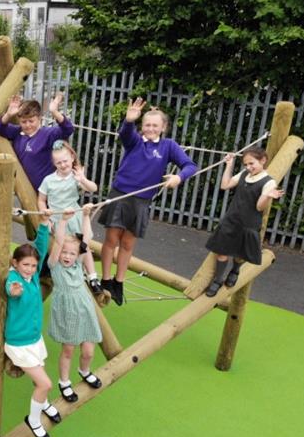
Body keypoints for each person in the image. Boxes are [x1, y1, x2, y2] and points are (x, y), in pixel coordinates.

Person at [98, 98, 198, 306]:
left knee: (127, 243)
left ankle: (119, 282)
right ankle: (106, 279)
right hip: (120, 195)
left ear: (163, 127)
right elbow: (125, 134)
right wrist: (128, 120)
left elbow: (190, 165)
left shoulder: (168, 146)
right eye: (146, 125)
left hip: (141, 202)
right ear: (141, 126)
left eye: (155, 125)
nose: (150, 128)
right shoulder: (134, 141)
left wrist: (178, 177)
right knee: (111, 239)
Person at [4, 213, 61, 437]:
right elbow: (11, 289)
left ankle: (44, 403)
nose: (29, 268)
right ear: (15, 263)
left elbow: (39, 245)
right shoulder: (13, 278)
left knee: (40, 372)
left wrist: (45, 224)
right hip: (18, 343)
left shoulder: (35, 276)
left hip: (34, 338)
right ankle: (34, 420)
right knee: (45, 383)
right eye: (25, 265)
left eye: (33, 265)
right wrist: (14, 291)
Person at [204, 148, 284, 296]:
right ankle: (218, 280)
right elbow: (225, 185)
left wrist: (268, 195)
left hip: (248, 224)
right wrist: (229, 165)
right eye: (246, 164)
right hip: (231, 220)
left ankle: (235, 270)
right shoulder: (244, 174)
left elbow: (259, 206)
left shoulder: (269, 182)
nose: (248, 167)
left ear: (263, 160)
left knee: (240, 254)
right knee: (221, 253)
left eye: (251, 163)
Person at [46, 207, 103, 403]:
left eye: (72, 253)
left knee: (88, 350)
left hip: (84, 307)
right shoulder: (55, 265)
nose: (68, 256)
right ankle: (64, 382)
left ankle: (84, 371)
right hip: (67, 309)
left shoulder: (78, 263)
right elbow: (59, 241)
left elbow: (86, 238)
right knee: (69, 349)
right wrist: (63, 221)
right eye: (65, 253)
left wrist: (86, 216)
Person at [38, 140, 102, 294]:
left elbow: (93, 188)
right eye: (58, 162)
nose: (63, 165)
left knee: (83, 247)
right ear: (54, 163)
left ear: (72, 158)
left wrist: (82, 179)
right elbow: (41, 199)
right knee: (62, 247)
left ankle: (92, 277)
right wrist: (45, 215)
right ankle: (65, 276)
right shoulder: (49, 180)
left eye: (65, 161)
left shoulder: (75, 176)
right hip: (58, 219)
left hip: (76, 217)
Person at [0, 91, 74, 191]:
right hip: (23, 189)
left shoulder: (48, 134)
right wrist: (8, 114)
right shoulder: (17, 132)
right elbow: (0, 129)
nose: (28, 125)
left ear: (39, 119)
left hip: (46, 190)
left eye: (31, 121)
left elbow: (68, 129)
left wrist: (55, 112)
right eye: (24, 122)